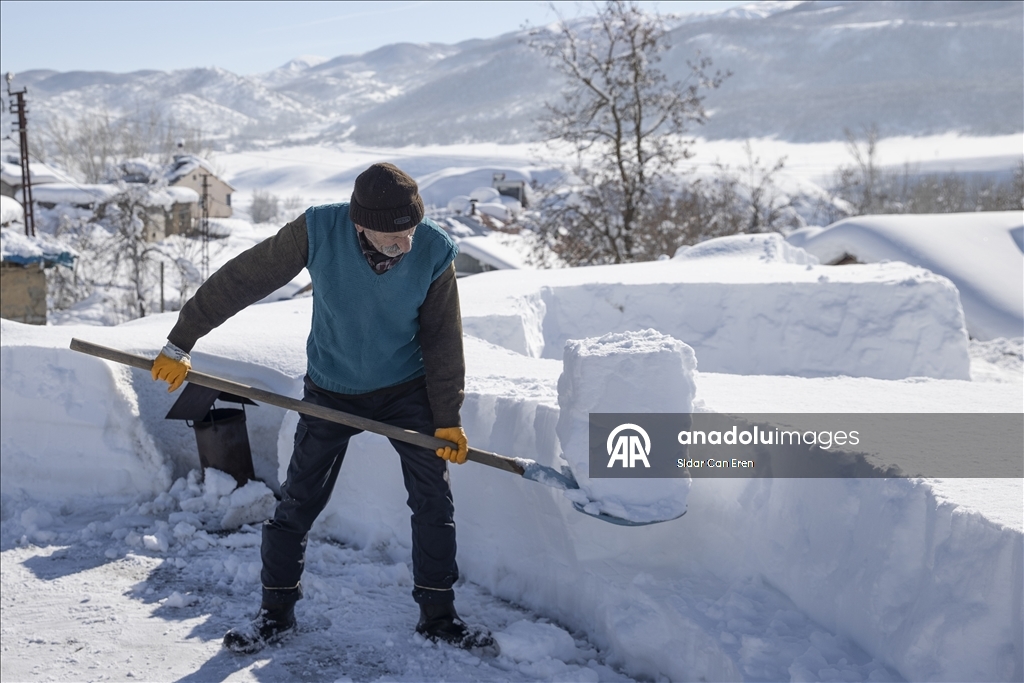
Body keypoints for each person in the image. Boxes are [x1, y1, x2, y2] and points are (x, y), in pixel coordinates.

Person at [151, 162, 493, 653]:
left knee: (433, 502)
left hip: (406, 391)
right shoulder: (317, 230)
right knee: (297, 503)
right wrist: (181, 341)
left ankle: (439, 617)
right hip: (332, 389)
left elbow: (442, 340)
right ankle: (275, 615)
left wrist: (447, 419)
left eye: (411, 232)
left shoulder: (435, 251)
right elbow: (243, 279)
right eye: (393, 238)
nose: (406, 245)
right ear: (360, 225)